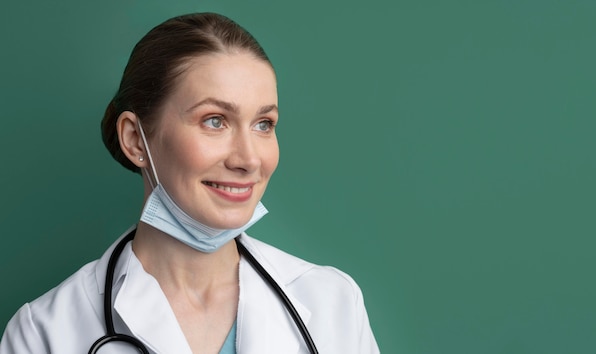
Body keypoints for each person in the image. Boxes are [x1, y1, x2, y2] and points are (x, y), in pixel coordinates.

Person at [0, 12, 379, 354]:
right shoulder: (45, 333)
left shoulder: (333, 303)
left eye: (264, 124)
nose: (248, 159)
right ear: (135, 139)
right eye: (215, 120)